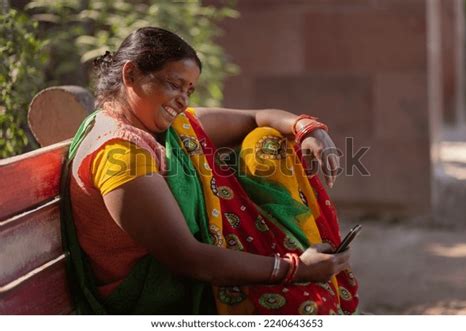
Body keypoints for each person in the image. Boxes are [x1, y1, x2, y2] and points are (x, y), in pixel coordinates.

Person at [61, 26, 359, 315]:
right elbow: (186, 258)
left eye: (189, 90)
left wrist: (307, 129)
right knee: (305, 305)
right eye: (174, 85)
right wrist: (295, 268)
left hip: (188, 276)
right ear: (131, 74)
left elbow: (257, 118)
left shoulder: (164, 128)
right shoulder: (120, 153)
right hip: (152, 297)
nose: (183, 100)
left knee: (266, 140)